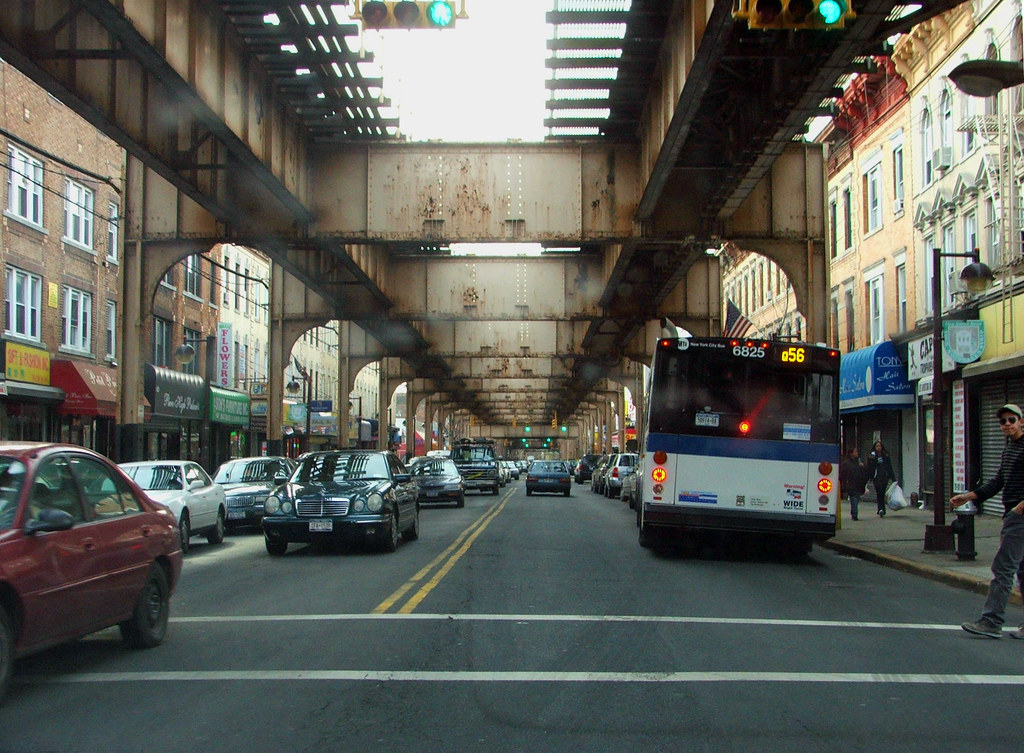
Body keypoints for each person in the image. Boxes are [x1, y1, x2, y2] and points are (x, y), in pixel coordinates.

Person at [956, 404, 1024, 638]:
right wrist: (968, 496)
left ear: (1021, 421)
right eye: (1003, 421)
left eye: (1011, 420)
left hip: (1019, 517)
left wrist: (1019, 508)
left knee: (1003, 567)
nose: (1007, 424)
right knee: (1021, 569)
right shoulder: (1009, 450)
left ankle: (991, 621)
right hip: (1014, 514)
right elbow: (997, 482)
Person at [867, 440, 896, 517]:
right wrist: (869, 477)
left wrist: (893, 478)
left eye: (879, 446)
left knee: (882, 492)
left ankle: (882, 509)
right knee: (879, 492)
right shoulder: (872, 456)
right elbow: (870, 467)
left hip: (884, 476)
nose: (878, 447)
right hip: (876, 477)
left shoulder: (885, 455)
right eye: (877, 446)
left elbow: (889, 467)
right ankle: (880, 509)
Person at [839, 447, 869, 521]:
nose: (857, 453)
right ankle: (854, 514)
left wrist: (863, 467)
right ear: (851, 453)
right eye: (855, 452)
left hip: (858, 483)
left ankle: (854, 513)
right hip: (851, 484)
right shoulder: (846, 463)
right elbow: (842, 474)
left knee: (856, 498)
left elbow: (864, 472)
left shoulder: (859, 462)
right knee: (854, 498)